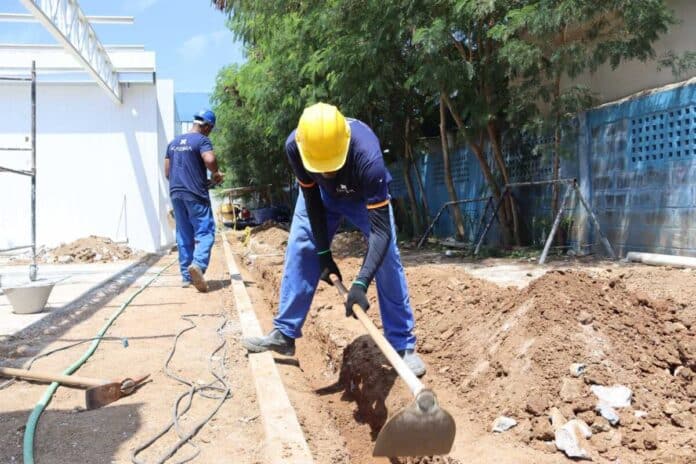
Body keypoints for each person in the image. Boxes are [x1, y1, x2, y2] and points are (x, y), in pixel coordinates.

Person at [242, 102, 425, 376]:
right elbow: (312, 200)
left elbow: (381, 232)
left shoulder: (368, 156)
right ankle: (285, 333)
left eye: (332, 166)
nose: (326, 172)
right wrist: (324, 256)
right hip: (322, 199)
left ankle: (402, 344)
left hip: (362, 198)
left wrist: (361, 283)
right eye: (321, 167)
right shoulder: (296, 145)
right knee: (301, 247)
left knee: (387, 256)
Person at [164, 109, 223, 292]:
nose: (209, 132)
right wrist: (215, 173)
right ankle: (198, 265)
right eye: (210, 128)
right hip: (195, 194)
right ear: (206, 126)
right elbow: (210, 158)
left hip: (176, 193)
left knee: (183, 234)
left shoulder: (173, 143)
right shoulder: (202, 140)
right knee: (206, 232)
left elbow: (167, 172)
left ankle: (186, 276)